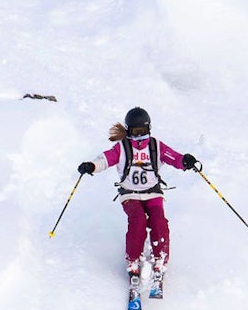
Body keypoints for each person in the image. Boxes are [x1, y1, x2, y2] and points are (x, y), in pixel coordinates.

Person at [78, 107, 198, 285]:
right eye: (135, 132)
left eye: (143, 132)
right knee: (138, 221)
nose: (139, 137)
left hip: (153, 193)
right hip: (130, 195)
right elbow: (105, 159)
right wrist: (92, 166)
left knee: (159, 221)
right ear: (128, 131)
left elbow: (173, 157)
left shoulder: (156, 145)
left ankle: (160, 259)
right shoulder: (122, 147)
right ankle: (133, 261)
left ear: (149, 129)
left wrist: (185, 161)